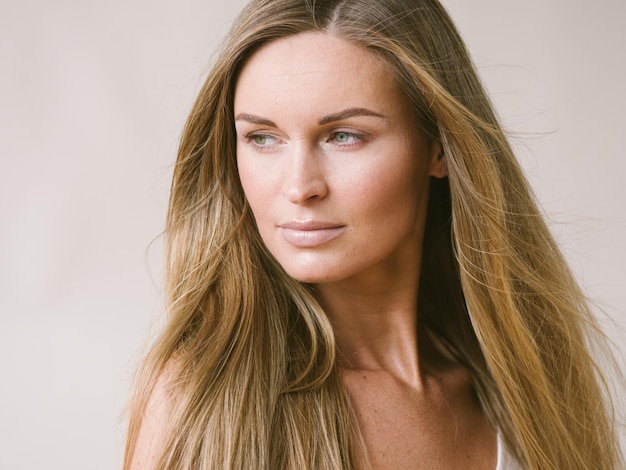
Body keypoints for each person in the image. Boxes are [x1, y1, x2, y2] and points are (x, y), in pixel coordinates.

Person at [124, 0, 623, 468]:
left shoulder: (529, 386)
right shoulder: (204, 398)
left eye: (344, 136)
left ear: (439, 148)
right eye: (263, 137)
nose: (300, 187)